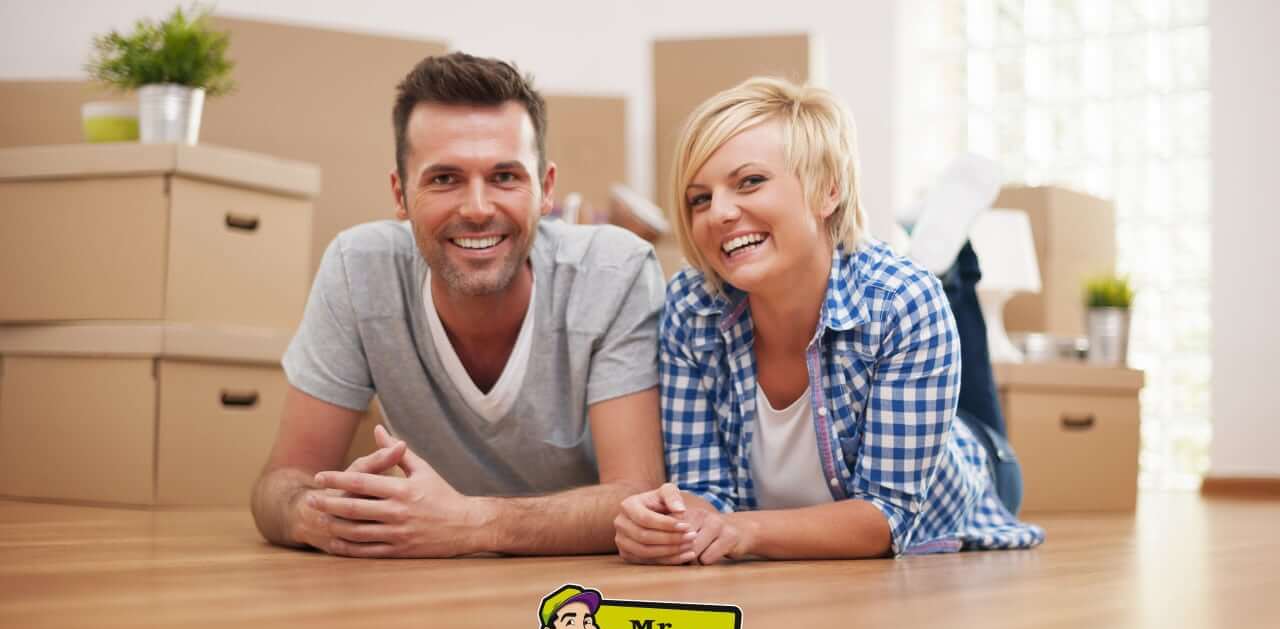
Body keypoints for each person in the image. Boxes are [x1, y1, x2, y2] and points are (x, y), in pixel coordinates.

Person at [251, 52, 667, 558]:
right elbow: (280, 482)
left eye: (505, 177)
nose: (476, 209)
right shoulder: (358, 269)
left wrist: (471, 524)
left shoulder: (614, 273)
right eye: (444, 179)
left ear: (546, 190)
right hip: (424, 595)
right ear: (400, 194)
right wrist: (313, 514)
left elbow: (638, 498)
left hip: (578, 591)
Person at [613, 77, 1044, 565]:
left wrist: (740, 531)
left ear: (828, 191)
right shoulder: (691, 309)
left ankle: (953, 252)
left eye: (749, 181)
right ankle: (940, 250)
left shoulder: (902, 299)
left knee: (958, 351)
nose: (720, 213)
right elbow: (704, 489)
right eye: (699, 199)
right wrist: (669, 523)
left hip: (970, 475)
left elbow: (884, 516)